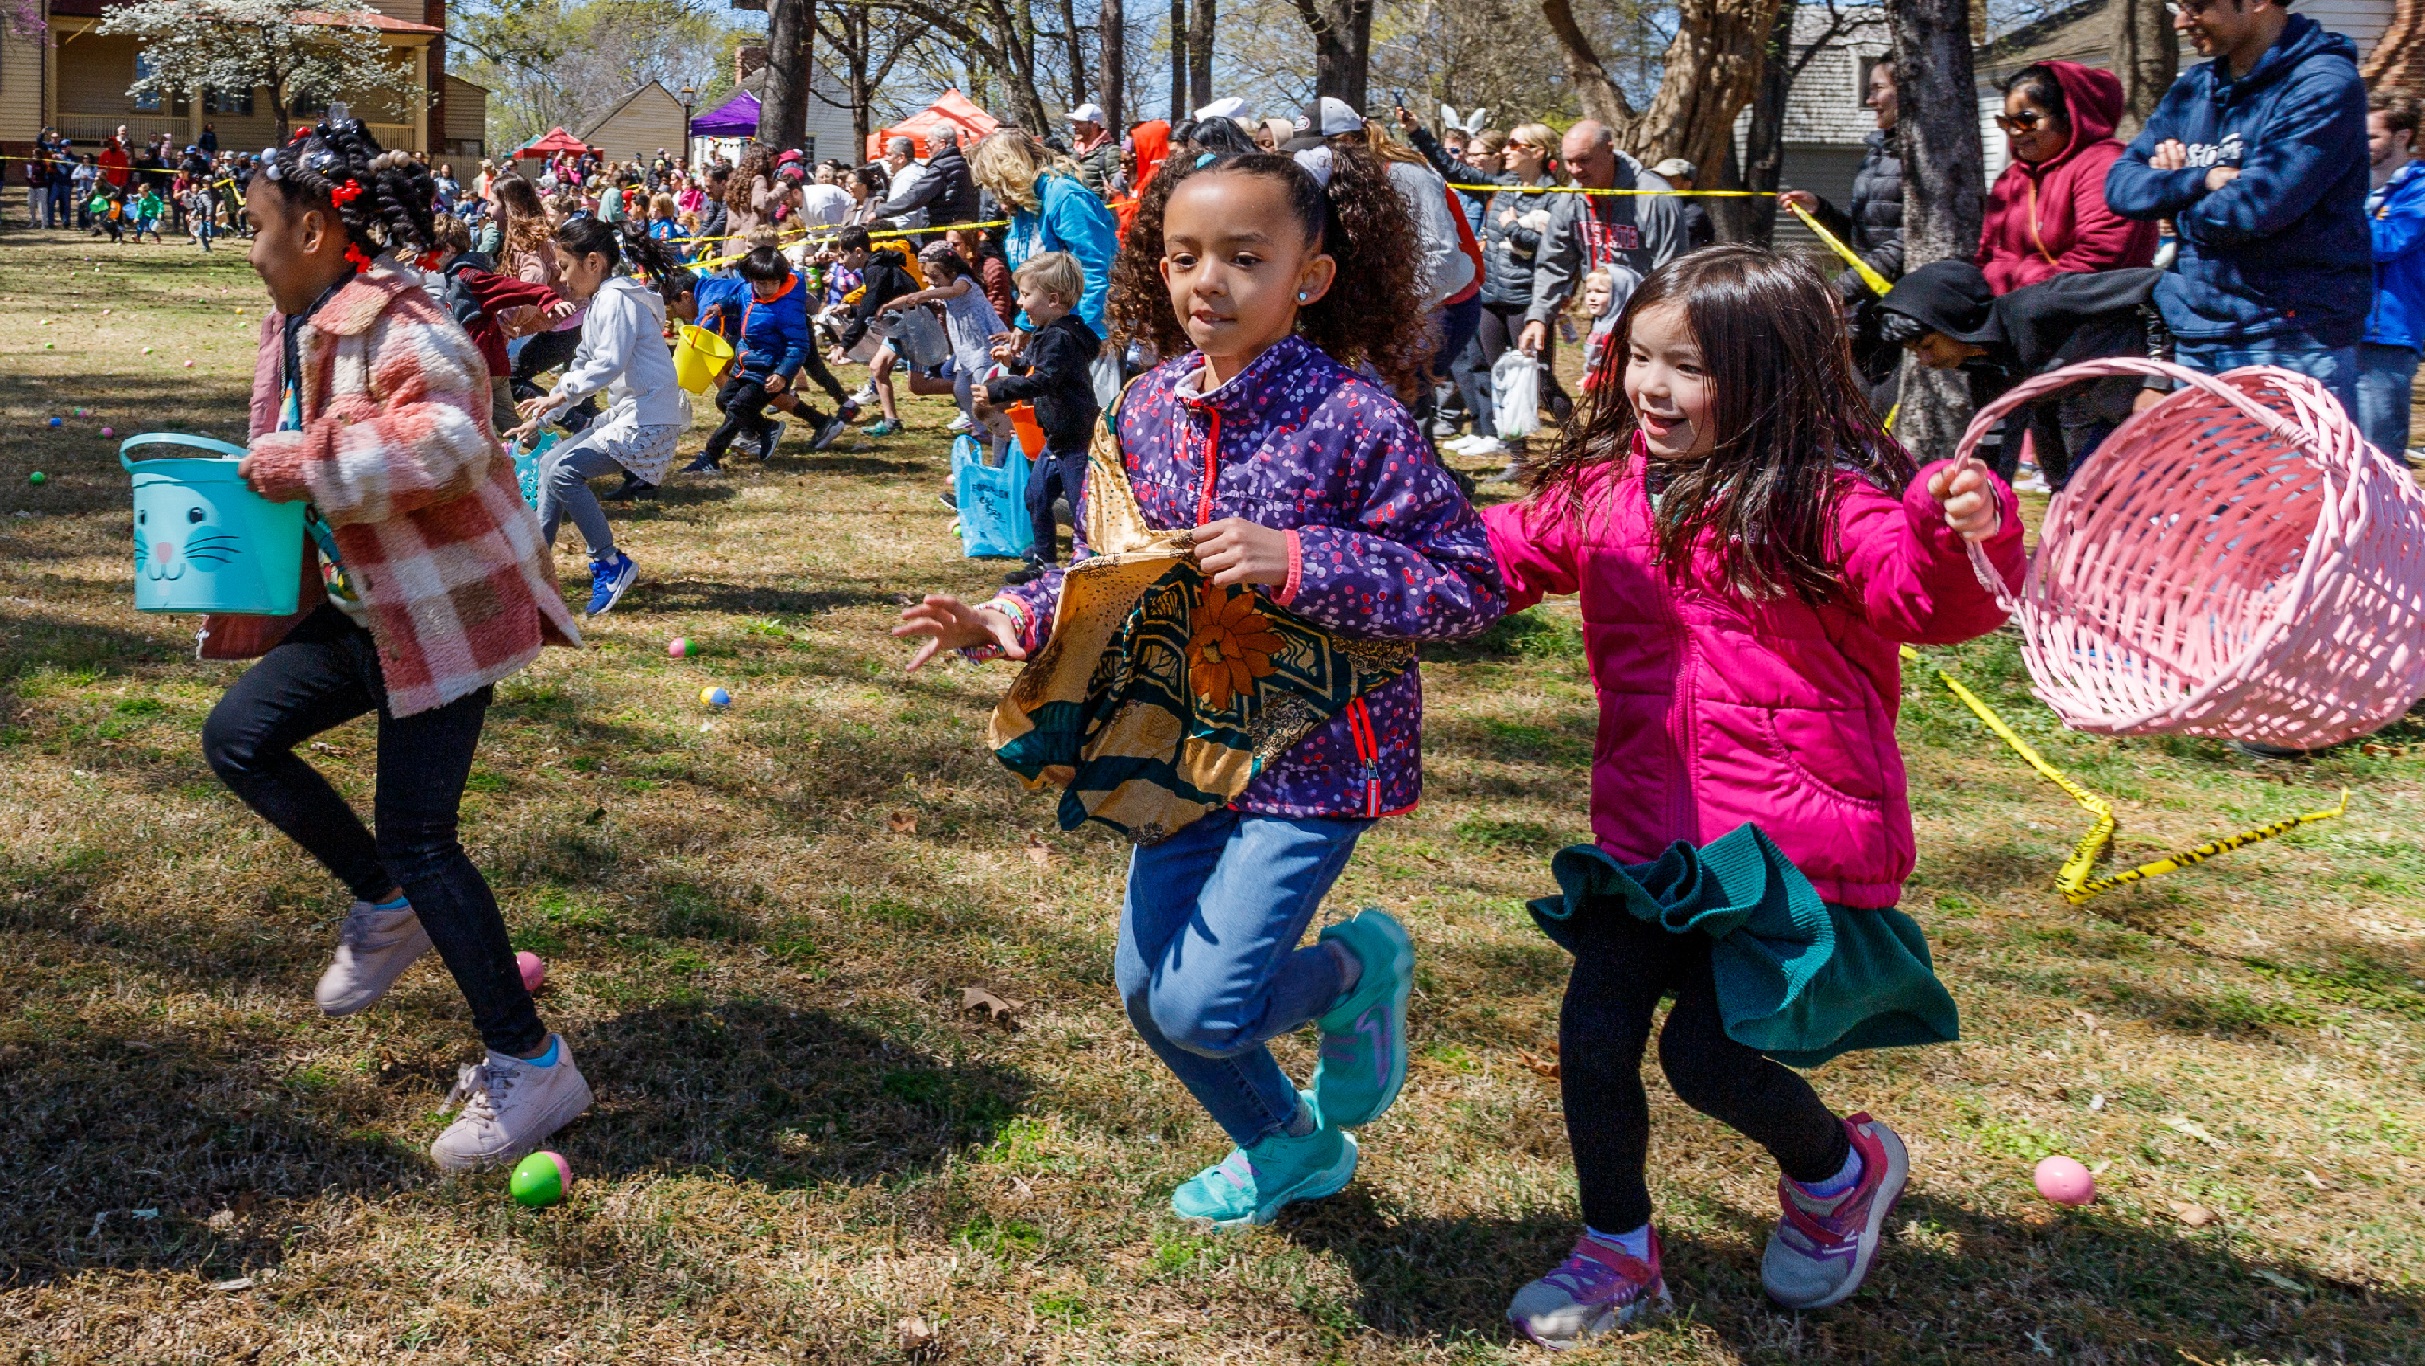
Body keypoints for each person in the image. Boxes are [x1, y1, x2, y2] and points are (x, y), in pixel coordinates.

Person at [893, 146, 1504, 1229]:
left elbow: (1465, 588)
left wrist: (1302, 559)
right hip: (1175, 745)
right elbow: (1106, 570)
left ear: (1305, 279)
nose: (1205, 282)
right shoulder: (1143, 407)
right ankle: (1286, 1146)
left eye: (1242, 257)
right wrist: (1005, 617)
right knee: (1148, 995)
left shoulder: (1356, 419)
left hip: (1314, 762)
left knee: (1205, 1003)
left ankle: (1357, 970)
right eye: (1183, 257)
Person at [1485, 247, 2017, 1344]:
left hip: (1785, 849)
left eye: (1687, 367)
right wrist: (1353, 552)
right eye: (1638, 356)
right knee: (1594, 1033)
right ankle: (1615, 1252)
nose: (1649, 386)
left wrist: (1957, 526)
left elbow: (1927, 599)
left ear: (1770, 375)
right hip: (1648, 840)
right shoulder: (1603, 492)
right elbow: (1486, 555)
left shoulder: (1821, 500)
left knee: (1705, 1056)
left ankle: (1839, 1170)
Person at [201, 114, 591, 1172]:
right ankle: (385, 902)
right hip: (368, 606)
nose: (247, 244)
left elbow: (455, 439)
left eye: (257, 225)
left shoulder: (402, 319)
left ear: (321, 232)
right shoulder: (301, 317)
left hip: (447, 610)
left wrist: (307, 459)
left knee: (424, 835)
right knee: (240, 736)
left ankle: (531, 1061)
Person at [2104, 0, 2370, 415]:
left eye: (2196, 5)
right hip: (2197, 334)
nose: (2180, 21)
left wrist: (2170, 207)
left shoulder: (2322, 84)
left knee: (2290, 483)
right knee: (2201, 483)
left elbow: (2248, 212)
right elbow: (2120, 187)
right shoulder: (2194, 87)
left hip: (2289, 340)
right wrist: (2199, 179)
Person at [508, 220, 691, 612]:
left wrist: (556, 395)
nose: (560, 276)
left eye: (563, 265)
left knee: (563, 473)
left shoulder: (615, 300)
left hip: (649, 418)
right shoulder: (601, 303)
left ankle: (610, 562)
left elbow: (607, 365)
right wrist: (539, 419)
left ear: (593, 262)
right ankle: (534, 570)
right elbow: (583, 367)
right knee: (551, 464)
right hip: (630, 413)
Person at [1876, 258, 2171, 488]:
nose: (1925, 361)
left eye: (1928, 345)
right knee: (2080, 501)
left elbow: (2155, 289)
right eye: (1916, 353)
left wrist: (2156, 381)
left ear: (1956, 322)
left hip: (2173, 395)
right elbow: (1994, 450)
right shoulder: (1987, 373)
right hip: (2108, 417)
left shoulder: (2041, 306)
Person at [1779, 57, 1905, 409]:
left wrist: (1839, 290)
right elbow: (1864, 238)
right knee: (1854, 415)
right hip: (1867, 312)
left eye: (1878, 89)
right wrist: (1821, 211)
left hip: (1904, 316)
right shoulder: (1876, 156)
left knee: (1884, 419)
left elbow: (1906, 245)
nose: (1870, 101)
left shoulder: (1922, 158)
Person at [974, 251, 1100, 583]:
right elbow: (1038, 369)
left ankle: (1088, 563)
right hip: (1056, 438)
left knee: (1080, 507)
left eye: (1027, 295)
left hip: (1074, 439)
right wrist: (1013, 362)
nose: (1019, 302)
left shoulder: (1060, 336)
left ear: (1054, 299)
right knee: (1036, 496)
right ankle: (1044, 562)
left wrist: (997, 390)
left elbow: (1045, 380)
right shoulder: (1051, 331)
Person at [1977, 63, 2158, 293]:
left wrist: (2020, 294)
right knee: (1936, 284)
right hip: (2013, 302)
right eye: (2006, 123)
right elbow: (1987, 254)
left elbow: (2099, 256)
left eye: (2025, 121)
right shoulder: (2011, 178)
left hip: (2085, 303)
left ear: (2068, 114)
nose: (2014, 132)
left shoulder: (2105, 163)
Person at [1518, 120, 1683, 360]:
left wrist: (1653, 323)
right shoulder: (1571, 198)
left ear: (1609, 150)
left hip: (1646, 318)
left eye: (1584, 160)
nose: (1575, 170)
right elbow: (1554, 261)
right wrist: (1539, 315)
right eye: (1569, 161)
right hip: (1602, 318)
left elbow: (1671, 269)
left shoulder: (1655, 197)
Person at [1451, 123, 1565, 463]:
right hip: (1491, 296)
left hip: (1526, 301)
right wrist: (1415, 132)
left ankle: (1577, 443)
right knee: (1501, 375)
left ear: (1538, 152)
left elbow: (1553, 248)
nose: (1506, 150)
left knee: (1541, 383)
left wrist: (1514, 228)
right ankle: (1518, 460)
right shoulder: (1504, 185)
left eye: (1515, 143)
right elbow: (1455, 170)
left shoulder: (1556, 196)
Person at [970, 129, 1119, 339]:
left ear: (1011, 171)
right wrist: (1024, 326)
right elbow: (1030, 279)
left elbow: (1095, 268)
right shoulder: (1024, 207)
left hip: (1087, 329)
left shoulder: (1065, 196)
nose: (995, 193)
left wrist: (1089, 334)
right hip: (1053, 330)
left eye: (997, 184)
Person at [690, 245, 816, 471]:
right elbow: (737, 299)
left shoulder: (788, 307)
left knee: (738, 410)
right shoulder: (748, 291)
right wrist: (720, 307)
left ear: (781, 279)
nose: (767, 288)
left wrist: (782, 374)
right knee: (724, 401)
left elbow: (798, 345)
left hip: (768, 372)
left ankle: (710, 457)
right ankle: (767, 427)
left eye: (772, 283)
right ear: (752, 279)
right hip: (745, 365)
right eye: (761, 283)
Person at [2360, 92, 2425, 456]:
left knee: (2378, 454)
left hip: (2387, 338)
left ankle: (2388, 515)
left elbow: (2387, 242)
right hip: (2334, 331)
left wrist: (2332, 218)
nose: (2360, 143)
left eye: (2371, 136)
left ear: (2402, 137)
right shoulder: (2350, 188)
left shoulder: (2419, 189)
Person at [1649, 159, 1715, 250]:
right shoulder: (1653, 207)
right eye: (1659, 177)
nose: (1661, 182)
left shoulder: (1693, 213)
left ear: (1687, 185)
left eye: (1670, 179)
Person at [1068, 104, 1121, 196]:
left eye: (1079, 123)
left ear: (1094, 125)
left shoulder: (1110, 152)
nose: (1074, 126)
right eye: (1073, 122)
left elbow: (1119, 190)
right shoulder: (1074, 154)